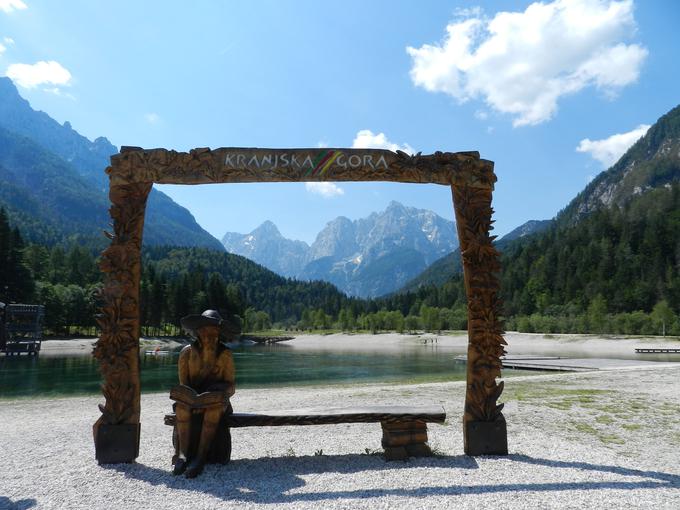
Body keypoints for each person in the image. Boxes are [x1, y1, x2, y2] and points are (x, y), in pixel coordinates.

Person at [171, 309, 239, 478]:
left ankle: (200, 458)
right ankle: (183, 455)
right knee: (181, 408)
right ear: (198, 333)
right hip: (192, 400)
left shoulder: (225, 354)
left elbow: (231, 387)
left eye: (214, 332)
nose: (210, 336)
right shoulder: (186, 353)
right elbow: (183, 385)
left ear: (219, 334)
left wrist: (219, 393)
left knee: (213, 410)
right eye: (206, 331)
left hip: (217, 401)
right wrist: (191, 399)